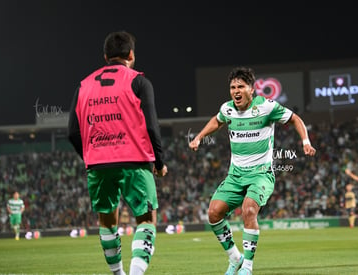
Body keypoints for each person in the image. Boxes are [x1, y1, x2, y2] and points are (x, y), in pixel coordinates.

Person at [189, 67, 316, 275]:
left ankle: (247, 267)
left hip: (261, 174)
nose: (235, 91)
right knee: (213, 213)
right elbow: (217, 120)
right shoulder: (228, 109)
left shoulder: (266, 107)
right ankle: (235, 258)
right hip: (235, 175)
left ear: (251, 89)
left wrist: (305, 141)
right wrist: (199, 137)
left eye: (240, 87)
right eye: (232, 87)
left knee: (249, 210)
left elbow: (295, 118)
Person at [68, 30, 168, 275]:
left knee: (107, 221)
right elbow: (152, 125)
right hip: (134, 161)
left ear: (105, 56)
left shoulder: (83, 85)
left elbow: (72, 131)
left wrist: (90, 157)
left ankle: (118, 274)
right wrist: (159, 161)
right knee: (146, 220)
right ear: (131, 54)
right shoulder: (139, 82)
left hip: (98, 164)